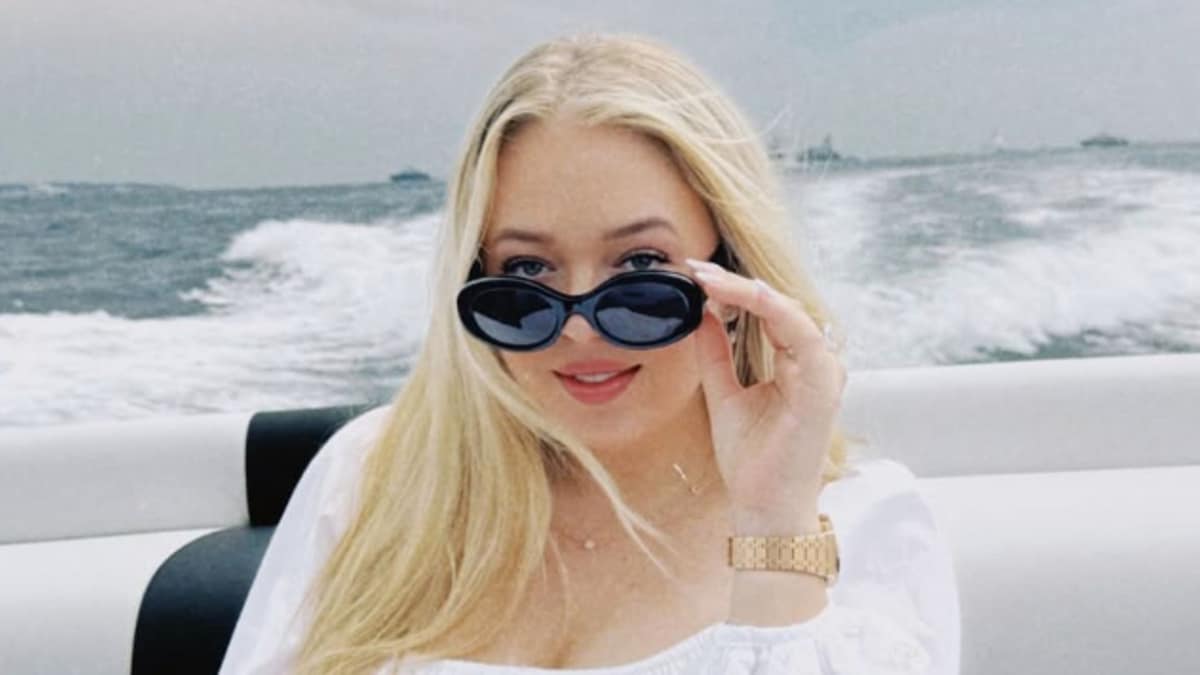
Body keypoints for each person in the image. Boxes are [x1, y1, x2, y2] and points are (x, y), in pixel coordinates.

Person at [219, 31, 960, 675]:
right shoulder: (371, 476)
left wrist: (771, 529)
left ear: (733, 274)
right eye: (527, 271)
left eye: (639, 268)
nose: (578, 329)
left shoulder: (862, 524)